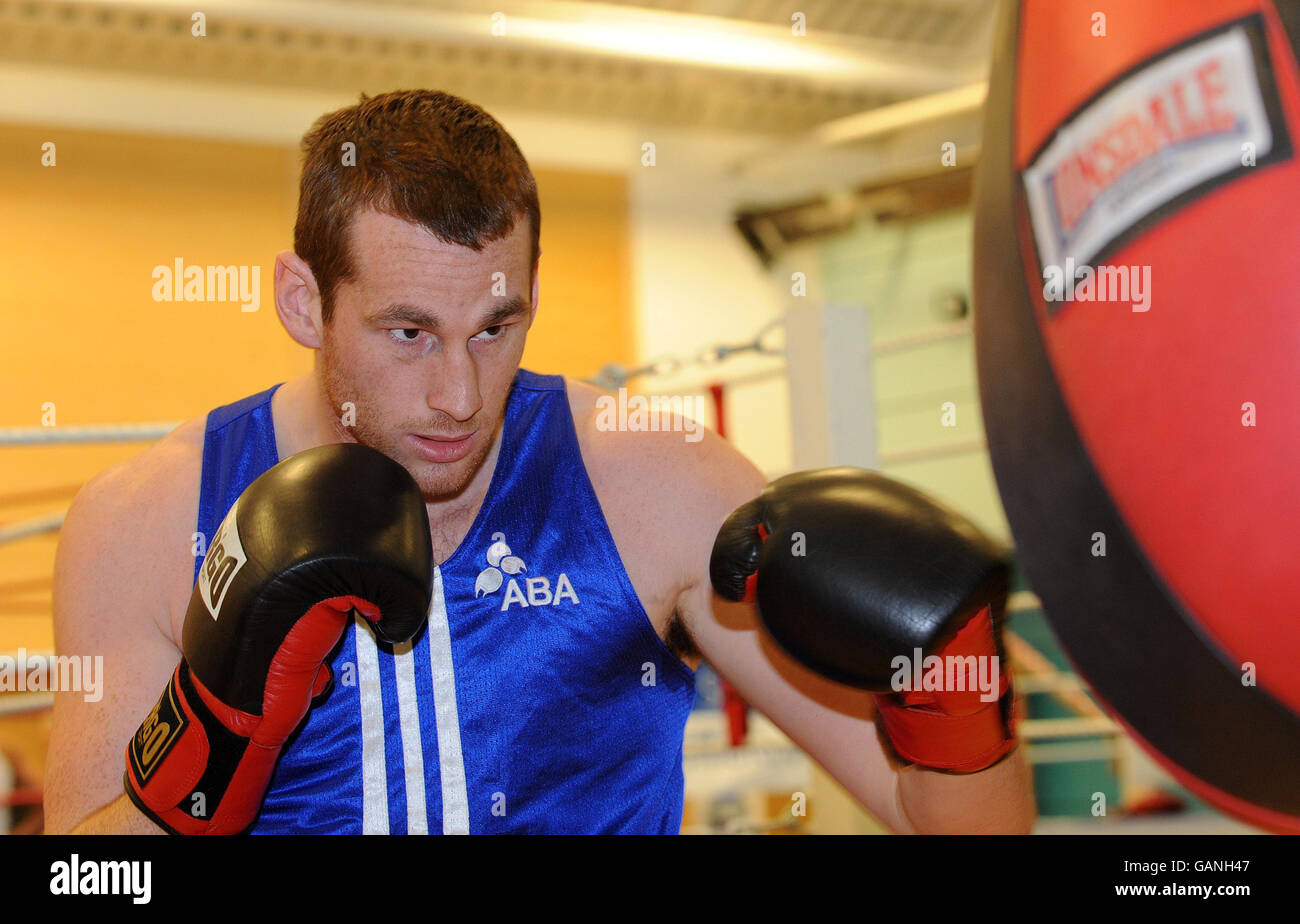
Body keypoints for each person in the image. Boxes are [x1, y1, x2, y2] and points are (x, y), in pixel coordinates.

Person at [44, 89, 1035, 834]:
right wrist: (211, 734)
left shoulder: (653, 484)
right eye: (407, 333)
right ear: (304, 302)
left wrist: (958, 694)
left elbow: (944, 823)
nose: (459, 396)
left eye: (495, 326)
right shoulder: (146, 521)